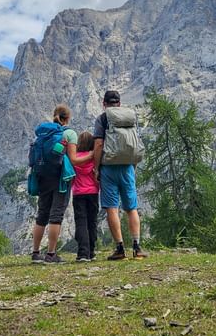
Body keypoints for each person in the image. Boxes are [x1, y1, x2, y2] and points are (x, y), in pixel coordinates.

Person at [31, 104, 93, 264]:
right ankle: (51, 254)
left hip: (42, 178)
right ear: (68, 118)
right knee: (56, 215)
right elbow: (74, 160)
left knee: (41, 214)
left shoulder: (42, 134)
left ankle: (35, 253)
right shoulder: (69, 133)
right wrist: (92, 155)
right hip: (60, 180)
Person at [93, 91, 148, 260]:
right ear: (119, 103)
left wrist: (96, 168)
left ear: (104, 103)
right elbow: (135, 143)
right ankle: (137, 247)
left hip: (109, 168)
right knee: (131, 208)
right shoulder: (130, 117)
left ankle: (120, 248)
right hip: (127, 167)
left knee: (112, 208)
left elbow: (99, 144)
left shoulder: (102, 119)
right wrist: (133, 164)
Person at [72, 132, 99, 262]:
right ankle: (92, 252)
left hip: (78, 194)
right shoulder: (94, 159)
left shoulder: (75, 158)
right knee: (92, 222)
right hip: (93, 193)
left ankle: (83, 253)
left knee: (81, 222)